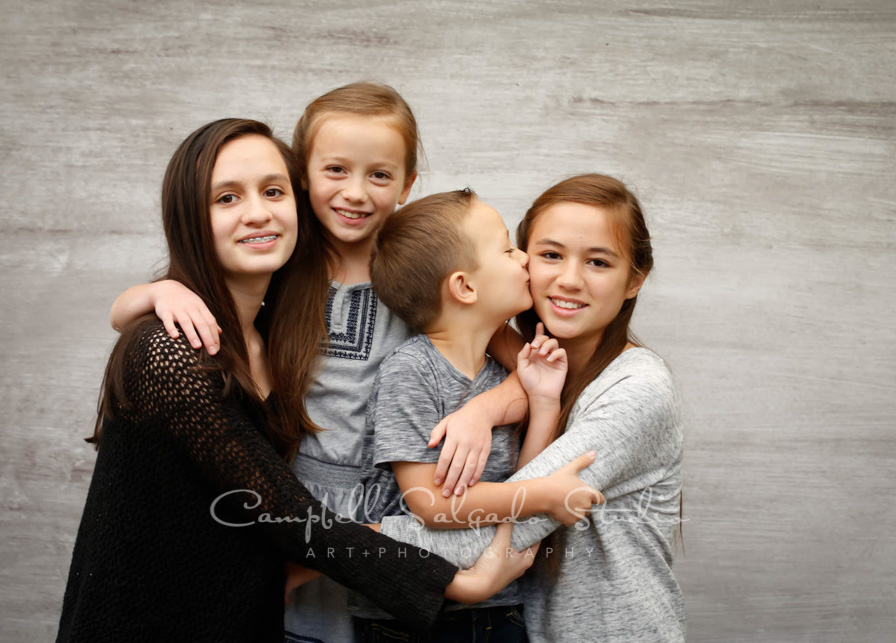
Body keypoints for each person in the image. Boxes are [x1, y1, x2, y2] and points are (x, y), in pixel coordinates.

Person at [57, 119, 534, 642]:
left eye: (272, 191)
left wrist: (486, 409)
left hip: (245, 615)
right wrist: (462, 582)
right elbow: (287, 515)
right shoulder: (169, 350)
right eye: (226, 198)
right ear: (189, 218)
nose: (258, 211)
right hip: (152, 624)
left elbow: (516, 355)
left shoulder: (272, 325)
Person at [376, 174, 686, 642]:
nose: (568, 279)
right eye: (549, 254)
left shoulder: (636, 390)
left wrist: (335, 543)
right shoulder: (506, 363)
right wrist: (489, 405)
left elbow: (498, 528)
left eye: (599, 262)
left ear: (633, 281)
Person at [348, 189, 602, 641]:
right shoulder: (411, 371)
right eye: (508, 249)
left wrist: (544, 403)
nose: (525, 258)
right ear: (465, 287)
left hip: (499, 602)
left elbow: (523, 479)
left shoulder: (502, 368)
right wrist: (544, 496)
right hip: (410, 614)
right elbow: (431, 506)